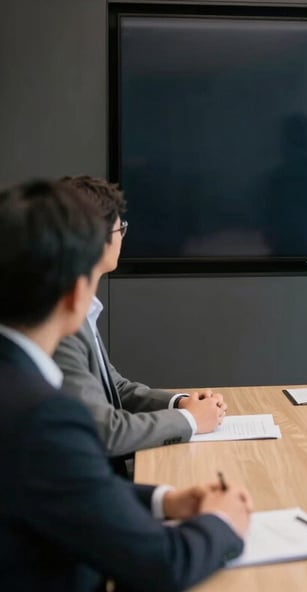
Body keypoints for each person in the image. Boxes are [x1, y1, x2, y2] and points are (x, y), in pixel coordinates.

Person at [0, 179, 252, 590]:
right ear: (76, 293)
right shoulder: (42, 417)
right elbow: (162, 565)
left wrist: (164, 500)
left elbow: (62, 485)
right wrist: (223, 522)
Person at [53, 176, 226, 470]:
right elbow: (105, 430)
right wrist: (190, 420)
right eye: (121, 228)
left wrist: (181, 403)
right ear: (97, 239)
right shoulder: (60, 323)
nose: (123, 237)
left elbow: (114, 387)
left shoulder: (84, 308)